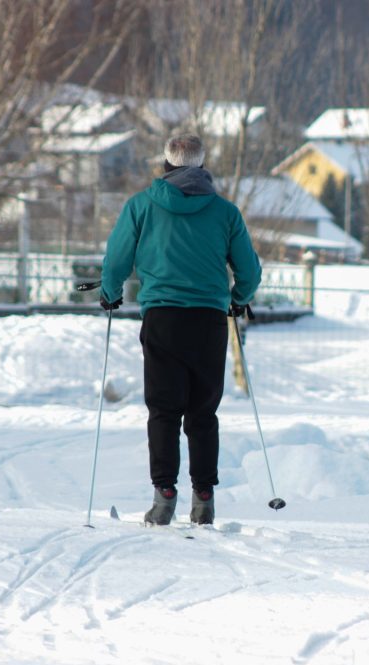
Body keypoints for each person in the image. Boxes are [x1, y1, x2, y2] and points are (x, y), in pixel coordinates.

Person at [100, 134, 261, 525]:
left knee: (164, 410)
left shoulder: (140, 205)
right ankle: (204, 498)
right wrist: (239, 297)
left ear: (166, 164)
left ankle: (164, 496)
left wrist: (110, 292)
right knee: (203, 412)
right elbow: (250, 271)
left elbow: (117, 257)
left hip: (163, 319)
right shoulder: (225, 212)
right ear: (203, 164)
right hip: (208, 320)